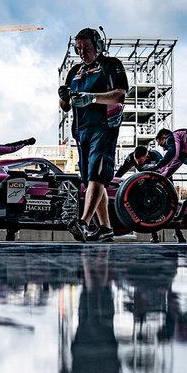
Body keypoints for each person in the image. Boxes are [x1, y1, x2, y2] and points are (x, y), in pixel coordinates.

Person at [59, 27, 128, 242]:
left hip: (104, 126)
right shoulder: (75, 72)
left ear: (97, 45)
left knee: (98, 172)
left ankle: (84, 221)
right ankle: (106, 229)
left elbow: (119, 95)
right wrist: (63, 96)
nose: (82, 53)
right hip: (81, 131)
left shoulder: (111, 65)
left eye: (86, 48)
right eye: (78, 49)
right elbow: (65, 107)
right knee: (90, 179)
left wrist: (92, 98)